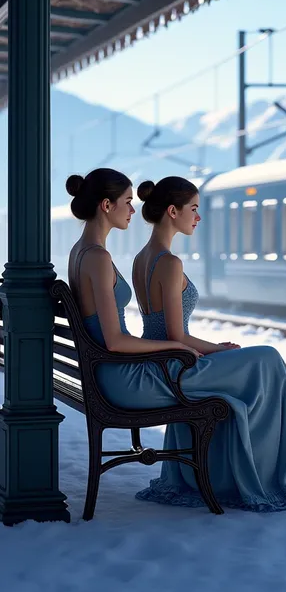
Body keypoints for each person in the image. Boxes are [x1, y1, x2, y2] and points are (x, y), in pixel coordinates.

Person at [132, 176, 286, 511]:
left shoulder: (143, 257)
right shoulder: (169, 262)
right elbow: (175, 336)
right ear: (172, 211)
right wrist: (218, 349)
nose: (198, 217)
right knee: (269, 361)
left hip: (166, 362)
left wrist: (212, 349)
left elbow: (164, 332)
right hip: (175, 365)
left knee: (268, 367)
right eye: (194, 209)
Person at [66, 168, 202, 414]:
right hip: (124, 380)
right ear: (107, 205)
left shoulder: (79, 251)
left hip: (107, 373)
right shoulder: (98, 257)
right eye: (127, 202)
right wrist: (176, 346)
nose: (132, 211)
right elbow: (116, 341)